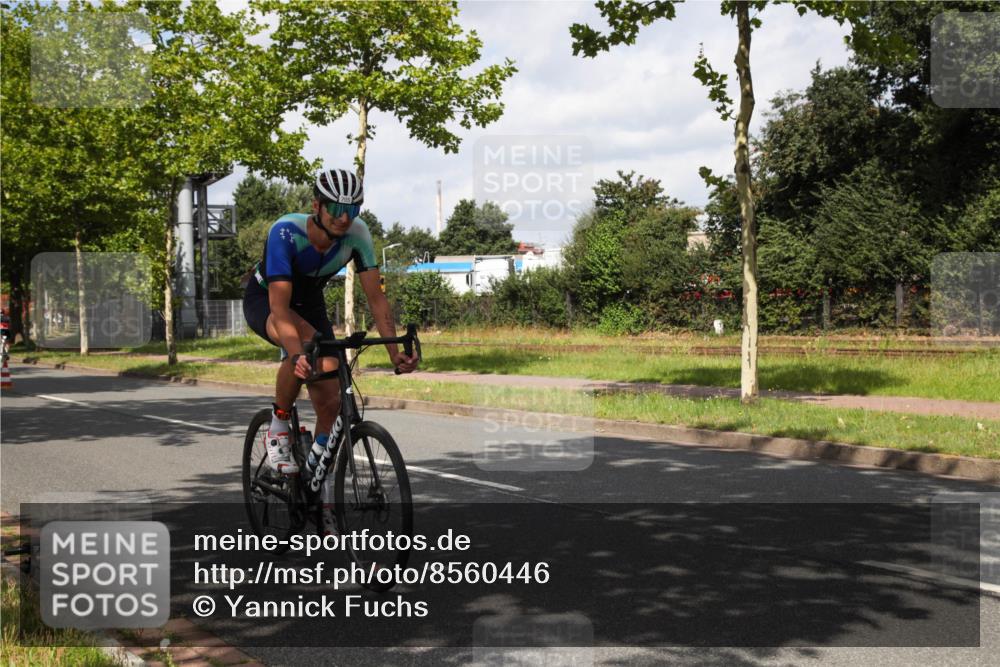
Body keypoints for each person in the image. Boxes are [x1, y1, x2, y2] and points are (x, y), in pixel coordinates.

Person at [243, 168, 418, 476]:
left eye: (353, 210)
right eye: (336, 208)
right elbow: (280, 308)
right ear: (316, 206)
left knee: (332, 391)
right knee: (305, 347)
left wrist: (394, 352)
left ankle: (316, 476)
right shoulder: (285, 232)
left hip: (310, 305)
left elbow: (376, 299)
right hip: (268, 300)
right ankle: (278, 427)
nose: (344, 218)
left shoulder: (358, 235)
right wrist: (295, 355)